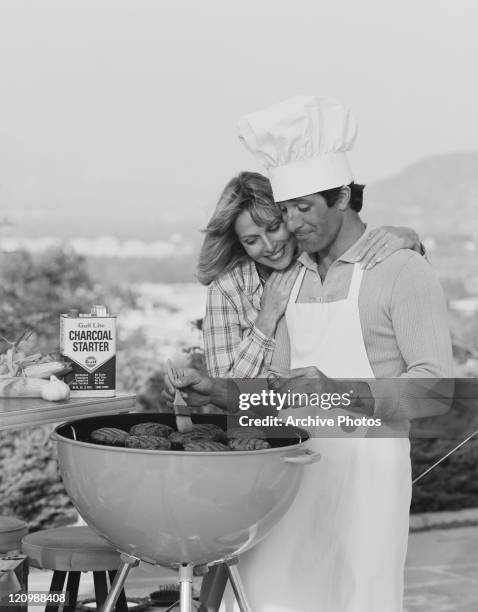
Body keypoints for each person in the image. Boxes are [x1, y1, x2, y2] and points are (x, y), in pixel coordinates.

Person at [164, 97, 454, 611]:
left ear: (342, 196)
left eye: (304, 208)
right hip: (290, 476)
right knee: (268, 598)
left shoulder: (399, 269)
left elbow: (434, 390)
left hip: (367, 480)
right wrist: (216, 389)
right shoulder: (290, 278)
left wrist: (337, 391)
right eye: (286, 209)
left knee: (355, 597)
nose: (293, 225)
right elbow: (275, 389)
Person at [198, 170, 423, 379]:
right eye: (251, 240)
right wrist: (266, 319)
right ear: (238, 243)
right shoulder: (227, 289)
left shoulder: (322, 259)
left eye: (274, 227)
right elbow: (225, 389)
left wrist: (410, 240)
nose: (269, 246)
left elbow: (397, 292)